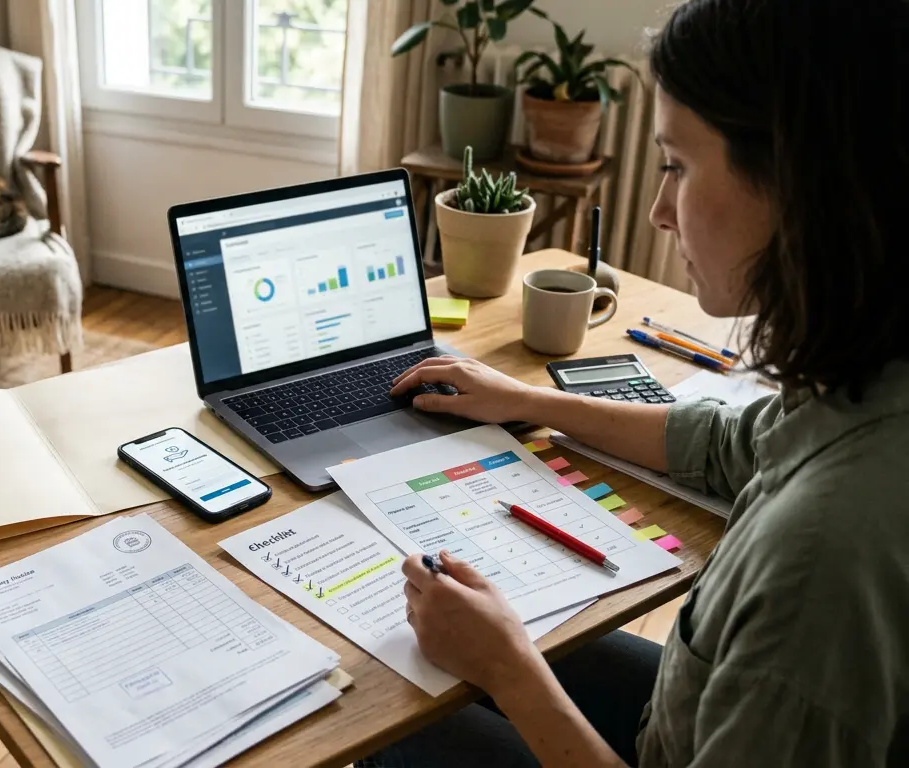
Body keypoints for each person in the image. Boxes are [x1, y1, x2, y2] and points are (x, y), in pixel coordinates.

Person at [362, 0, 909, 765]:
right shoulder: (866, 376)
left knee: (406, 721)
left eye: (677, 166)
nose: (657, 211)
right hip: (688, 720)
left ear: (798, 181)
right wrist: (524, 400)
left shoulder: (822, 562)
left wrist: (510, 670)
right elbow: (725, 444)